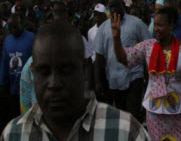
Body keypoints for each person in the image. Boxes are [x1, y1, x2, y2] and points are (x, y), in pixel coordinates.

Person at [1, 22, 150, 141]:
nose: (53, 83)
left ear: (83, 70)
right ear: (32, 72)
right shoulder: (14, 134)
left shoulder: (125, 132)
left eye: (65, 71)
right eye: (44, 72)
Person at [112, 7, 181, 141]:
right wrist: (116, 38)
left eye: (160, 25)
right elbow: (124, 58)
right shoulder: (147, 46)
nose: (155, 29)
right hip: (155, 113)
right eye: (155, 24)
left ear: (171, 26)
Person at [94, 0, 150, 122]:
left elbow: (148, 50)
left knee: (133, 115)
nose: (114, 9)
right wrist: (98, 82)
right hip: (114, 80)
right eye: (111, 6)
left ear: (123, 6)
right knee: (121, 117)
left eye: (116, 6)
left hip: (134, 77)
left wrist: (149, 78)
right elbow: (99, 57)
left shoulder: (137, 24)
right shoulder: (103, 28)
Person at [0, 15, 34, 128]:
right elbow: (5, 62)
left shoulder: (31, 38)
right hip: (13, 88)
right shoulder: (7, 41)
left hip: (29, 87)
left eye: (15, 27)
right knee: (16, 120)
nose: (13, 30)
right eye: (10, 28)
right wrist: (3, 83)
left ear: (21, 24)